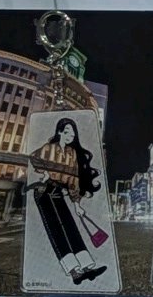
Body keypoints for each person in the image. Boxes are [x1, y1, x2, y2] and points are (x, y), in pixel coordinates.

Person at [27, 115, 111, 282]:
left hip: (58, 191)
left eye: (73, 134)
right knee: (56, 230)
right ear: (59, 132)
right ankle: (74, 272)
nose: (70, 136)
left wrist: (77, 204)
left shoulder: (72, 153)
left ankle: (87, 266)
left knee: (70, 226)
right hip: (44, 191)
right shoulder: (49, 148)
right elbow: (33, 157)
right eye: (67, 132)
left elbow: (73, 179)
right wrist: (45, 172)